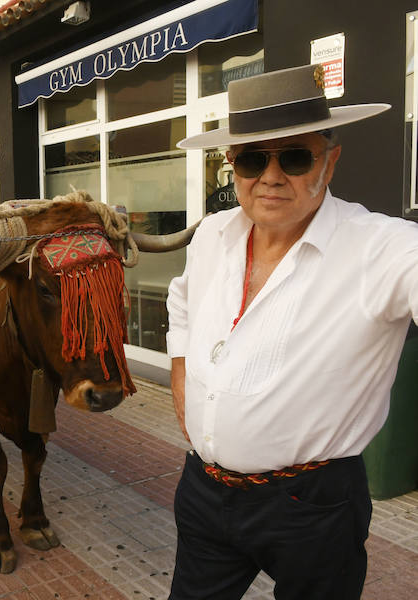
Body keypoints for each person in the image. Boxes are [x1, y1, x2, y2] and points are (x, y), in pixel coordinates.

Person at [165, 64, 417, 599]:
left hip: (314, 507)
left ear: (331, 159)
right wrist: (181, 373)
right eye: (253, 159)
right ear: (231, 166)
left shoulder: (382, 248)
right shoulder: (213, 233)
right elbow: (181, 301)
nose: (271, 176)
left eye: (295, 156)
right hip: (204, 493)